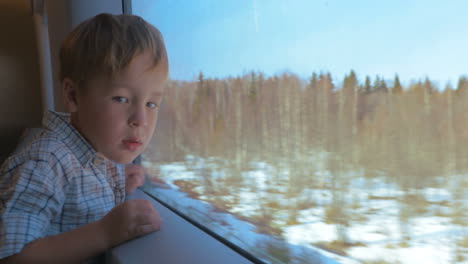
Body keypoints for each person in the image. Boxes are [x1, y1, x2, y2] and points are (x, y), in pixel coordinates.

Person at [0, 13, 168, 263]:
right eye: (121, 98)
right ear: (74, 96)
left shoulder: (99, 153)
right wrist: (104, 233)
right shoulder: (45, 162)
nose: (141, 119)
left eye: (152, 103)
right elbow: (11, 257)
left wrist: (120, 184)